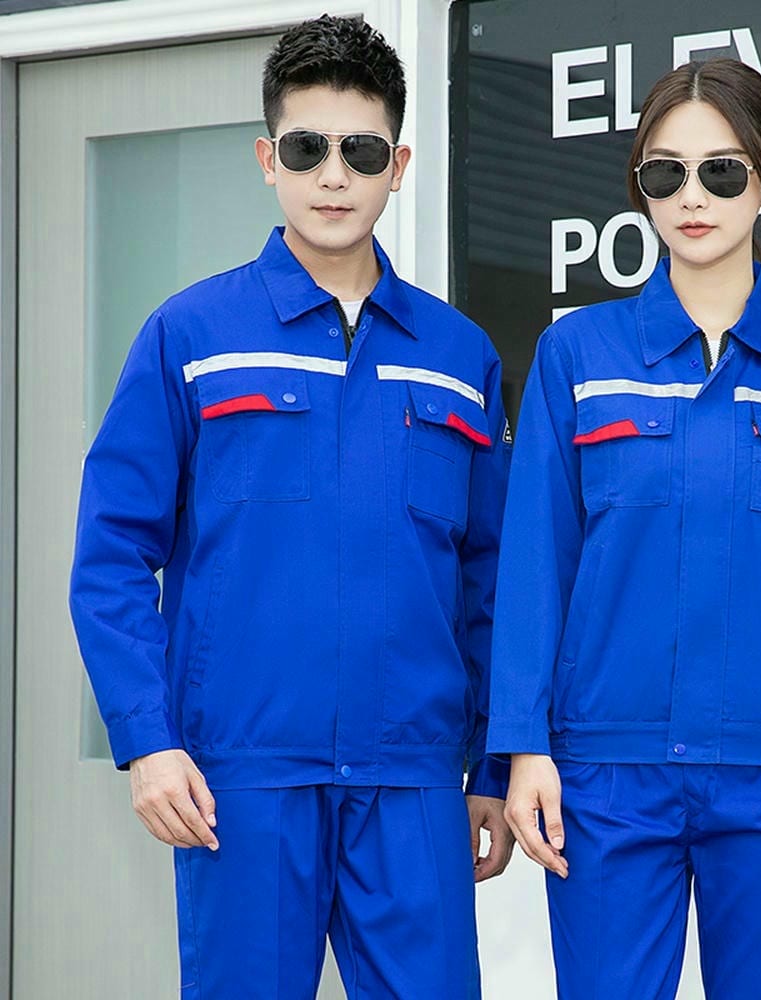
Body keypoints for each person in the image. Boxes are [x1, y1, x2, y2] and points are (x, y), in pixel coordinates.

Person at [69, 15, 512, 999]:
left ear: (399, 167)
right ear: (268, 160)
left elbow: (491, 579)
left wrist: (491, 763)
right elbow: (110, 554)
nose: (333, 177)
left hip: (412, 781)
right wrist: (148, 738)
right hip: (242, 778)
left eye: (362, 152)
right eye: (307, 149)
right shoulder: (191, 336)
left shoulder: (458, 357)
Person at [487, 58, 761, 999]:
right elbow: (536, 564)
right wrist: (523, 745)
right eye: (665, 172)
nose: (692, 197)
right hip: (606, 773)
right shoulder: (576, 356)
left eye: (722, 171)